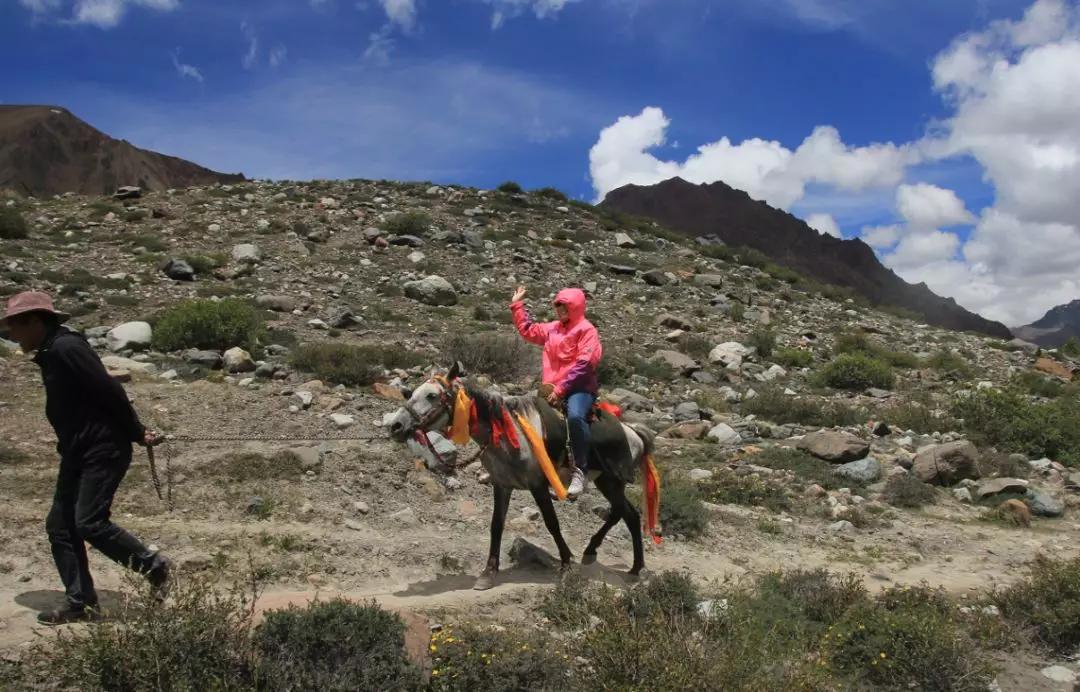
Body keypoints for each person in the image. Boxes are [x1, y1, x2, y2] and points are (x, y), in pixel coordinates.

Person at [1, 291, 170, 625]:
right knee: (61, 527)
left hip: (102, 449)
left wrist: (136, 432)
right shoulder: (51, 350)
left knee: (88, 522)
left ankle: (154, 567)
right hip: (80, 451)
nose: (10, 334)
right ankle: (80, 602)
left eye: (14, 327)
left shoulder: (67, 348)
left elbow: (110, 391)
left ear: (34, 321)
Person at [510, 286, 602, 498]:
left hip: (578, 388)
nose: (559, 309)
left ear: (576, 307)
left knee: (576, 418)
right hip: (550, 388)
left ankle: (580, 471)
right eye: (557, 305)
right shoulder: (552, 328)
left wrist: (562, 389)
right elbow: (528, 330)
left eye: (564, 305)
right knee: (522, 415)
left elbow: (584, 364)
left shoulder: (587, 330)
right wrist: (517, 306)